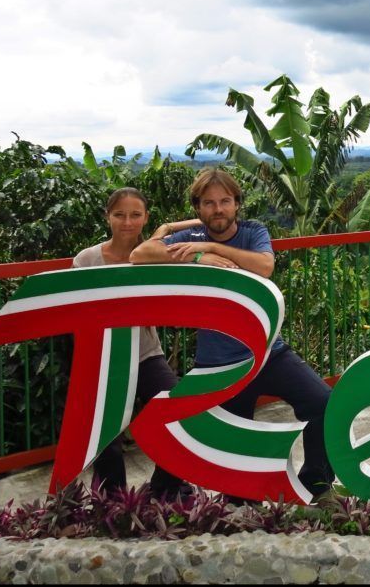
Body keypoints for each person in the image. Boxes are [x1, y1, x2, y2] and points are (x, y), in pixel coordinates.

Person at [130, 167, 335, 501]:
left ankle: (316, 484)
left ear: (237, 203)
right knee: (233, 452)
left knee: (323, 403)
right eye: (209, 203)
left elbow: (264, 266)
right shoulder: (191, 240)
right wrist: (199, 253)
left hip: (268, 352)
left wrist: (215, 248)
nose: (218, 209)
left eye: (225, 201)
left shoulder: (253, 231)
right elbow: (139, 255)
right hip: (220, 365)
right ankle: (230, 500)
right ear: (198, 208)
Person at [73, 187, 201, 498]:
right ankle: (114, 502)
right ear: (108, 217)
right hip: (102, 356)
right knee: (106, 436)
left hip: (146, 353)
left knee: (181, 413)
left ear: (145, 218)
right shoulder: (86, 259)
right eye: (119, 215)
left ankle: (164, 488)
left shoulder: (152, 255)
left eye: (135, 215)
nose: (127, 222)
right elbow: (76, 310)